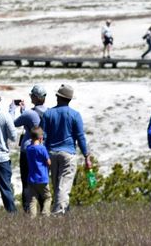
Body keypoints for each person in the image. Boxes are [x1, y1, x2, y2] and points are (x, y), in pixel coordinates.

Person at [41, 84, 91, 214]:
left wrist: (43, 155)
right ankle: (59, 213)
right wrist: (87, 156)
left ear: (58, 97)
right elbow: (80, 137)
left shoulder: (48, 114)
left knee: (57, 185)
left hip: (51, 153)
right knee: (64, 185)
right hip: (68, 153)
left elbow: (43, 137)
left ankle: (63, 211)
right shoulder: (75, 115)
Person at [9, 85, 47, 213]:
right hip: (43, 149)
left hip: (28, 150)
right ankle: (43, 208)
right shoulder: (48, 112)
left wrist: (12, 108)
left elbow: (12, 122)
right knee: (42, 179)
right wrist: (24, 111)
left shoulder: (30, 113)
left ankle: (28, 209)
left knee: (26, 180)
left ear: (35, 97)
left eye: (32, 95)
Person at [23, 127, 52, 216]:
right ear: (41, 138)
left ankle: (32, 217)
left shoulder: (28, 149)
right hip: (42, 178)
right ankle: (45, 212)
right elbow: (48, 162)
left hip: (32, 178)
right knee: (48, 197)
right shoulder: (42, 149)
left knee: (32, 199)